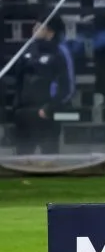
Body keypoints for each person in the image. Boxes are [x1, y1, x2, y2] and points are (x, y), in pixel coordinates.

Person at [13, 15, 75, 155]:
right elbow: (18, 81)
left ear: (50, 31)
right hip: (24, 114)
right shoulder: (27, 51)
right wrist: (17, 107)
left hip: (46, 114)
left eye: (39, 25)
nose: (34, 28)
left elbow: (68, 87)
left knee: (49, 162)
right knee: (22, 161)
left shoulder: (60, 52)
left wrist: (50, 108)